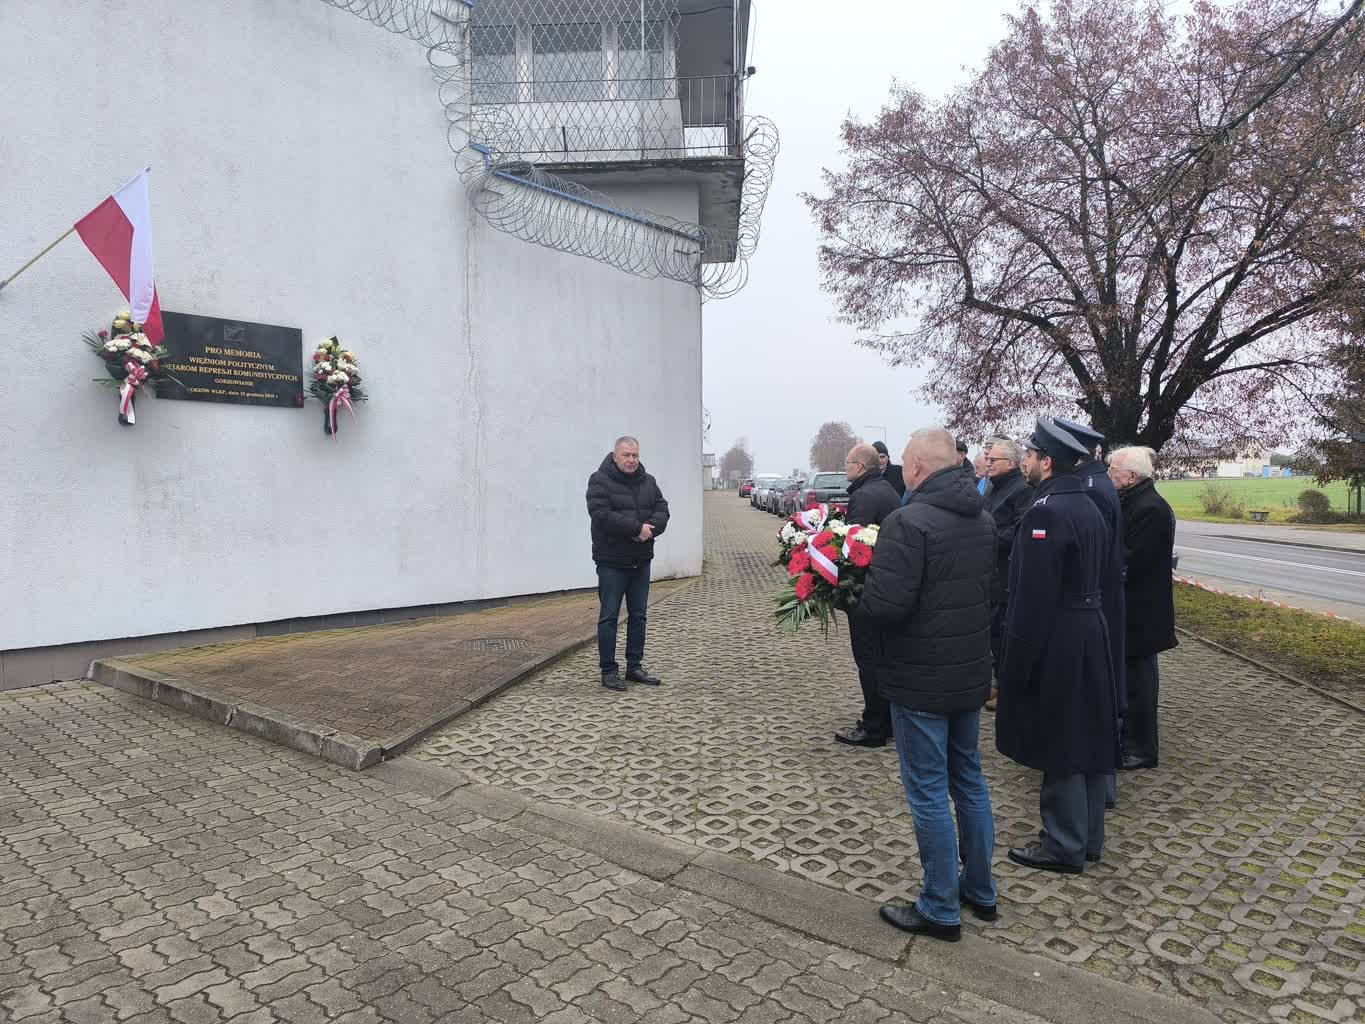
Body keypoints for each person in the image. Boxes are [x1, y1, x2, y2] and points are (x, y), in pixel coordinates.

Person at [853, 428, 997, 941]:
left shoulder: (907, 522)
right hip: (969, 674)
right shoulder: (983, 518)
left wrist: (854, 597)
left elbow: (887, 606)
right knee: (970, 782)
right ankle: (980, 890)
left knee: (930, 791)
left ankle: (940, 906)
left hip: (919, 682)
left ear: (915, 465)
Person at [997, 418, 1119, 874]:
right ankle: (1086, 839)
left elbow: (1033, 597)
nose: (1025, 461)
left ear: (1046, 463)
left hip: (1059, 636)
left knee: (1061, 738)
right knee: (1085, 734)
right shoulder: (1089, 503)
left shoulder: (1046, 511)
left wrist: (1017, 662)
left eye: (1029, 455)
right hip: (1091, 628)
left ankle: (1063, 843)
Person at [1107, 446, 1177, 770]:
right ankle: (1129, 739)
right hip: (1134, 610)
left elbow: (1132, 559)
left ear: (1131, 476)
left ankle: (1142, 749)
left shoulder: (1150, 509)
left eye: (1114, 471)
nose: (1110, 476)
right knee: (1132, 680)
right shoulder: (1134, 501)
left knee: (1140, 685)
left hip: (1142, 614)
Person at [585, 436, 669, 692]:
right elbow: (601, 515)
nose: (631, 460)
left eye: (635, 455)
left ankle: (634, 666)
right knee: (609, 617)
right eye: (626, 455)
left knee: (639, 616)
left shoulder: (649, 481)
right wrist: (636, 529)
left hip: (640, 561)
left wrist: (650, 530)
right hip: (612, 562)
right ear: (615, 456)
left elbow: (662, 510)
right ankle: (609, 671)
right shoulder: (599, 480)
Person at [835, 444, 902, 747]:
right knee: (883, 658)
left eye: (847, 463)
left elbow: (854, 546)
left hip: (867, 592)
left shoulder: (864, 496)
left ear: (860, 467)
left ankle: (874, 726)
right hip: (885, 586)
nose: (845, 467)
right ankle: (887, 721)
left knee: (869, 660)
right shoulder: (885, 489)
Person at [982, 438, 1034, 710]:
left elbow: (1019, 530)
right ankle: (996, 681)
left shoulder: (1021, 491)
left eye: (994, 460)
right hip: (989, 571)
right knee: (992, 631)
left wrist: (987, 538)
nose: (988, 462)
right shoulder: (993, 487)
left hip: (1006, 572)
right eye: (987, 459)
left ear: (1011, 464)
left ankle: (1006, 687)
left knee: (1003, 631)